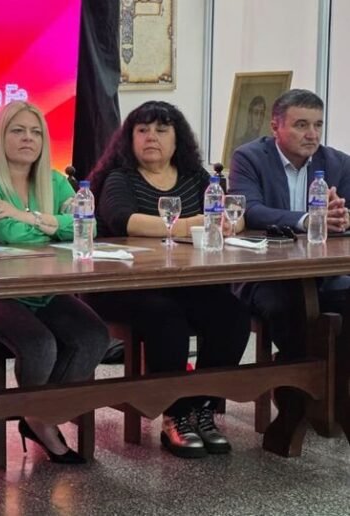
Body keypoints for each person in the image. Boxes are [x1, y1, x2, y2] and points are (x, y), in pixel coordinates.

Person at [86, 100, 250, 458]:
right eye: (142, 130)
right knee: (166, 317)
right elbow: (124, 220)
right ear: (129, 138)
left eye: (161, 130)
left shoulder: (195, 177)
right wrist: (194, 224)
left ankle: (201, 406)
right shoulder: (120, 178)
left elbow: (232, 214)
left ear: (178, 140)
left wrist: (231, 223)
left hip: (184, 281)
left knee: (232, 314)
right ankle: (175, 414)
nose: (151, 137)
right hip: (126, 286)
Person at [0, 101, 110, 464]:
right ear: (0, 136)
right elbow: (11, 235)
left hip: (41, 287)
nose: (28, 138)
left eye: (36, 132)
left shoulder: (54, 180)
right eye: (18, 130)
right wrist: (52, 225)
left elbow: (89, 226)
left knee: (94, 336)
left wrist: (25, 216)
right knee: (40, 344)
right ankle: (40, 421)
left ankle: (41, 414)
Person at [230, 89, 350, 359]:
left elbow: (346, 212)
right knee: (289, 306)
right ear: (275, 127)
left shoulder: (338, 163)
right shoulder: (249, 158)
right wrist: (308, 220)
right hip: (264, 273)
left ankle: (334, 377)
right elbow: (250, 210)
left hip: (322, 272)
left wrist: (344, 217)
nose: (312, 134)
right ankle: (300, 377)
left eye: (318, 125)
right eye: (301, 125)